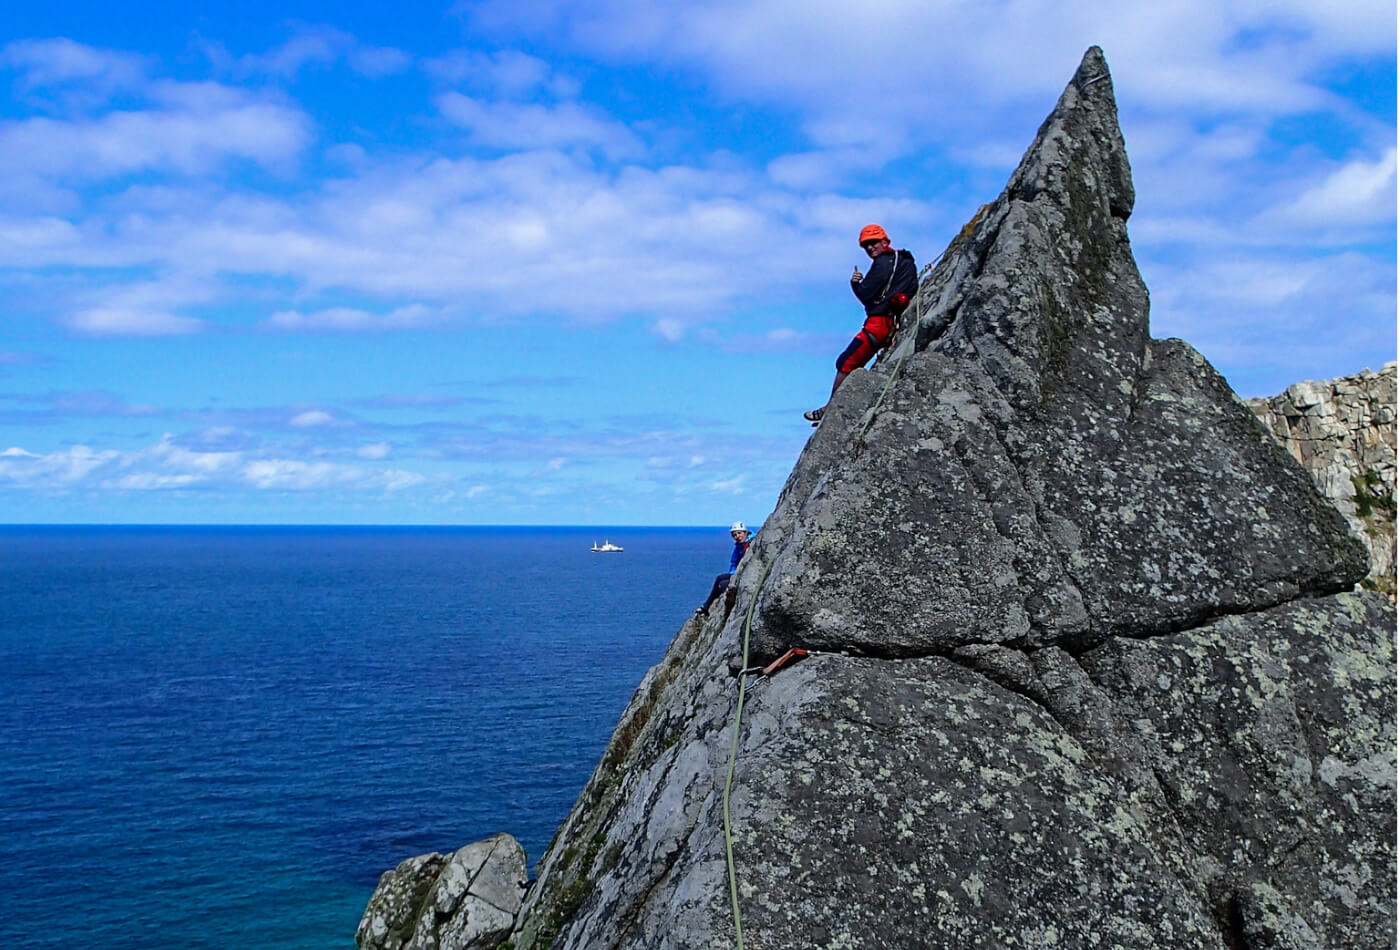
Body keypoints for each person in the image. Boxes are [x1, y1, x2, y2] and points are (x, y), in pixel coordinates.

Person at [804, 224, 918, 424]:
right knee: (852, 362)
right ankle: (834, 406)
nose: (870, 248)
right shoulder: (906, 261)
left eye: (873, 243)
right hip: (893, 322)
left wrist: (855, 284)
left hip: (878, 325)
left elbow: (866, 294)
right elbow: (911, 287)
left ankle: (830, 409)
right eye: (866, 245)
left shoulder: (882, 263)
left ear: (885, 242)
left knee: (845, 362)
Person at [696, 521, 753, 620]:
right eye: (734, 535)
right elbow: (734, 562)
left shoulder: (751, 542)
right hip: (739, 573)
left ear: (745, 532)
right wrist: (732, 574)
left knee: (722, 586)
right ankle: (706, 605)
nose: (737, 536)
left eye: (739, 533)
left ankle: (723, 610)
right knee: (719, 578)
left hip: (746, 574)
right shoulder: (739, 545)